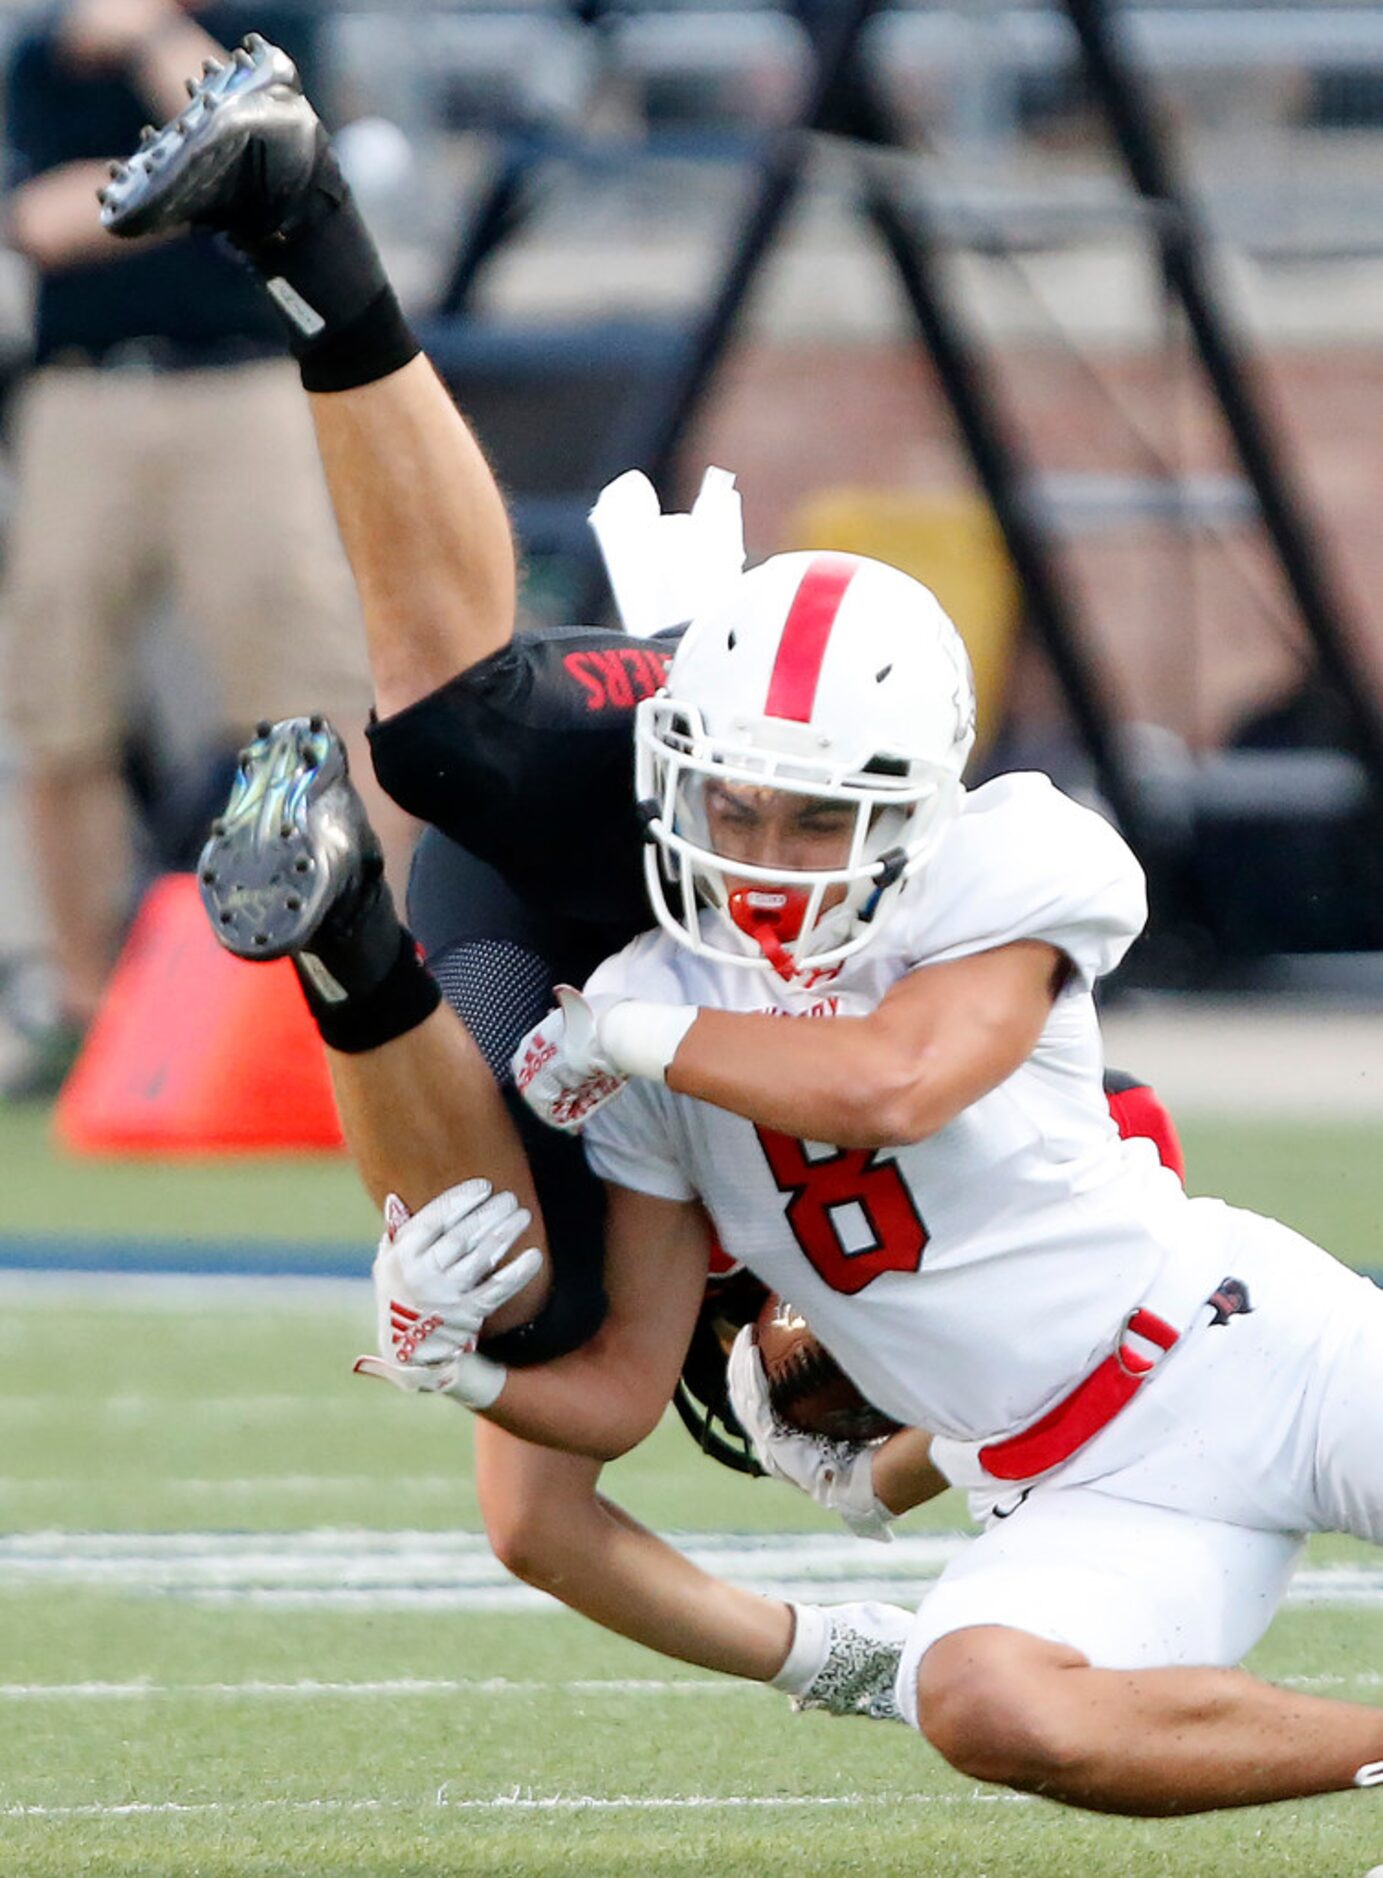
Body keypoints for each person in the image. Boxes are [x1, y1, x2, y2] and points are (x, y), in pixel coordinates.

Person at [98, 38, 921, 1721]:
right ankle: (304, 218)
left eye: (787, 1367)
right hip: (749, 776)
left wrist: (839, 1655)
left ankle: (342, 938)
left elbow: (542, 1509)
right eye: (840, 1346)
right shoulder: (998, 1067)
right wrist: (967, 1436)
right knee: (453, 729)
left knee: (496, 1271)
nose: (790, 1334)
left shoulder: (682, 1257)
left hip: (559, 928)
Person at [0, 0, 403, 1096]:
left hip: (245, 384)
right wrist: (187, 187)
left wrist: (146, 52)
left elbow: (263, 157)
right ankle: (77, 1004)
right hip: (84, 392)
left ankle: (384, 974)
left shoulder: (264, 24)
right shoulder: (46, 52)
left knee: (314, 698)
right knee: (58, 699)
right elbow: (31, 220)